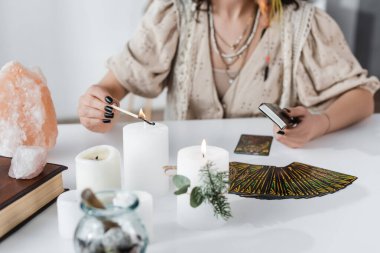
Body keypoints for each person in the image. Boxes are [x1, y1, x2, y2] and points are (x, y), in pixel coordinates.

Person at [78, 0, 380, 148]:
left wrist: (320, 124)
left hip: (271, 184)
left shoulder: (303, 23)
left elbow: (362, 97)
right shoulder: (172, 13)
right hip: (187, 180)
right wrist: (99, 102)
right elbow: (113, 85)